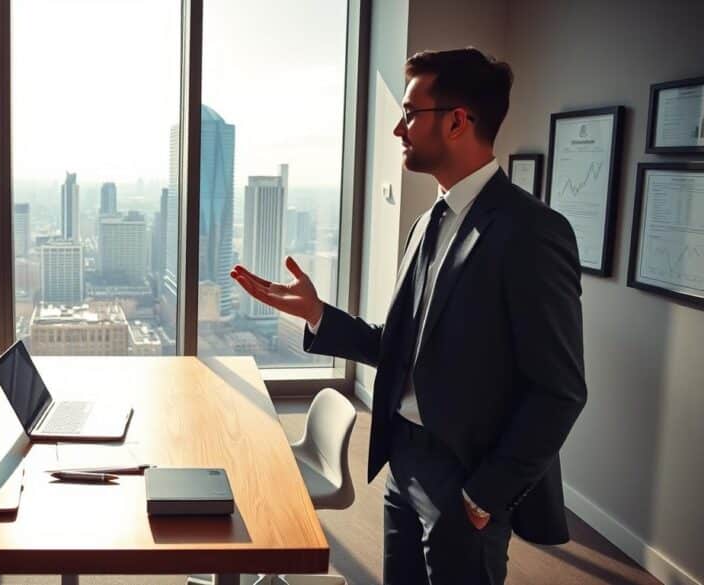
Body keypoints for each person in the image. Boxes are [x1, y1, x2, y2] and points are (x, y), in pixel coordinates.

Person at [231, 47, 587, 585]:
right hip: (406, 459)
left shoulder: (531, 232)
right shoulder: (428, 223)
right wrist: (318, 314)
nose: (399, 129)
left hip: (466, 476)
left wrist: (483, 494)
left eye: (410, 114)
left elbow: (560, 391)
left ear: (458, 121)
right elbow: (402, 347)